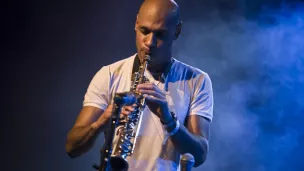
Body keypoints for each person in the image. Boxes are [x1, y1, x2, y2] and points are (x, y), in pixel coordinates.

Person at [65, 0, 214, 170]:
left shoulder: (196, 80)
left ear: (177, 31)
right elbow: (72, 148)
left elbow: (200, 155)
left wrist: (169, 120)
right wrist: (104, 120)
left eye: (160, 34)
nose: (149, 42)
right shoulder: (109, 74)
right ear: (136, 23)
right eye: (144, 31)